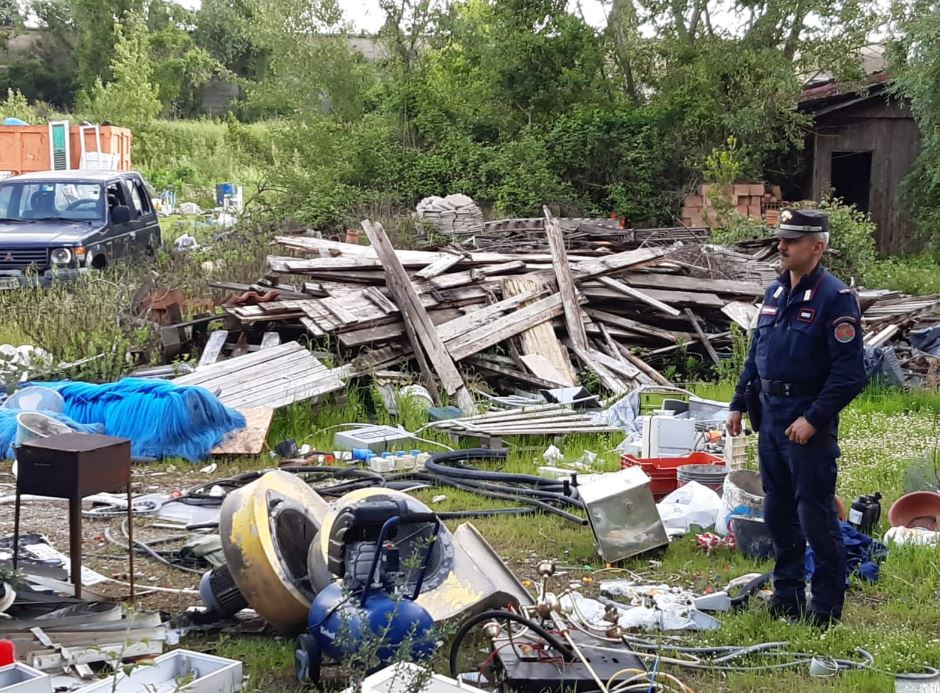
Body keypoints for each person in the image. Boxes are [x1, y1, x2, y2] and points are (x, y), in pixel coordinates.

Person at [726, 208, 867, 628]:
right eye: (781, 239)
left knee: (816, 517)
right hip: (769, 419)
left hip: (806, 424)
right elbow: (757, 355)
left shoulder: (835, 299)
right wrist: (737, 402)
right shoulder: (774, 294)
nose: (782, 246)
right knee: (778, 513)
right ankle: (786, 596)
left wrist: (814, 418)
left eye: (791, 240)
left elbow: (850, 375)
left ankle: (824, 610)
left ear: (817, 247)